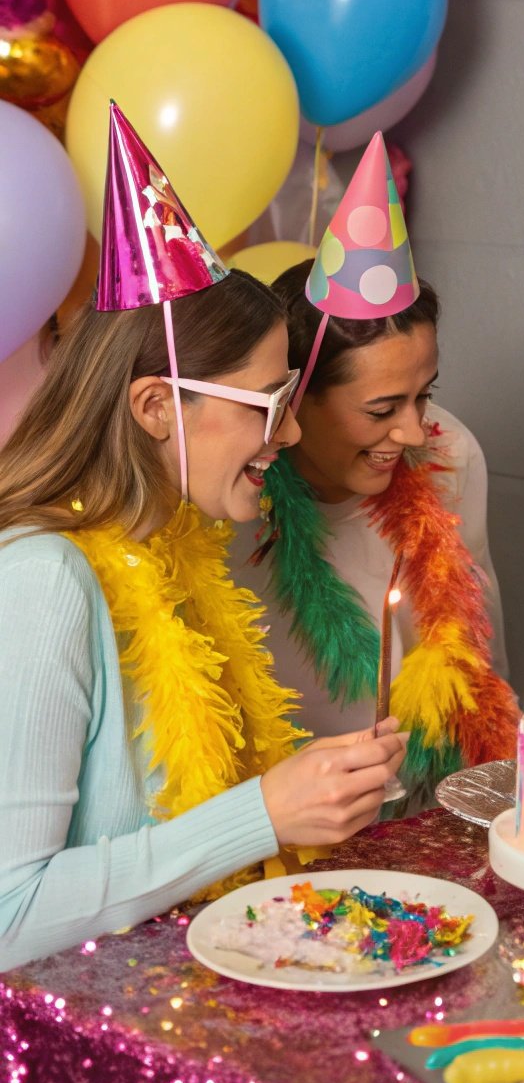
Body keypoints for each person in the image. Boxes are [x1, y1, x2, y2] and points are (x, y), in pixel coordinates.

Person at [0, 105, 405, 972]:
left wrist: (314, 793)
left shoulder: (173, 550)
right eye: (268, 405)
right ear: (155, 407)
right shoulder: (43, 580)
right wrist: (263, 813)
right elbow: (9, 914)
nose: (290, 434)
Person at [233, 132, 517, 808]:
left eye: (424, 395)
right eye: (383, 408)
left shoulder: (451, 454)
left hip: (421, 812)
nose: (415, 432)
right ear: (295, 400)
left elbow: (484, 665)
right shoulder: (232, 496)